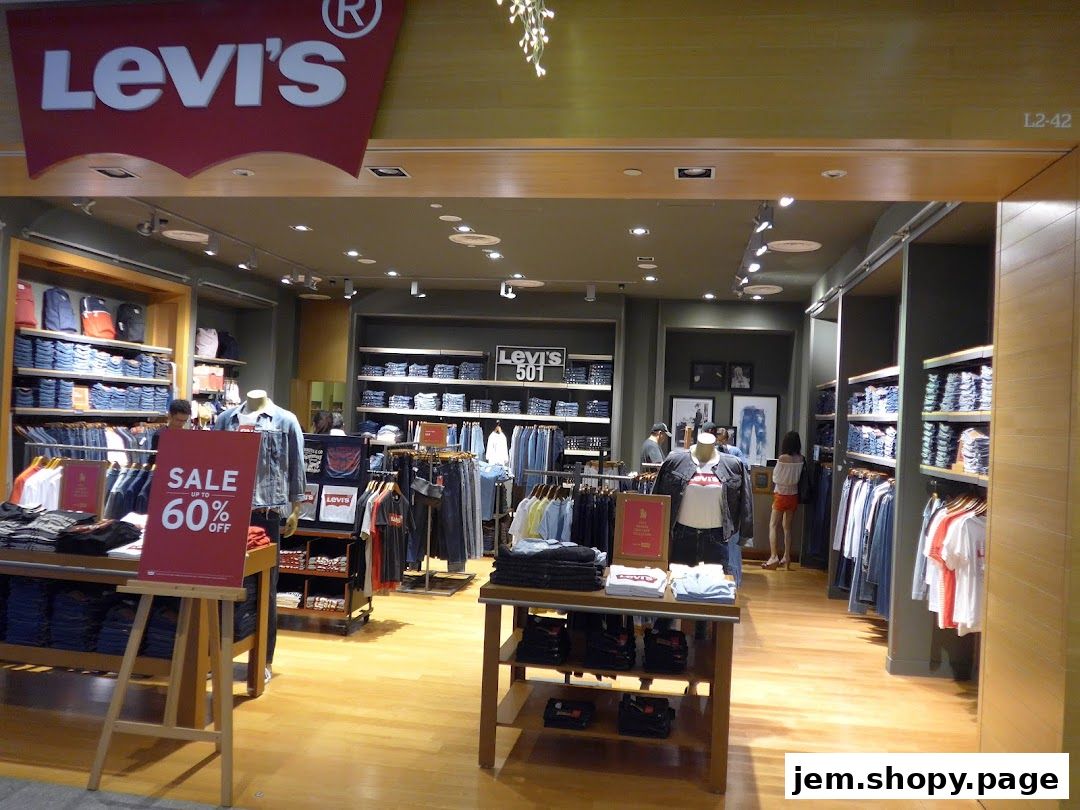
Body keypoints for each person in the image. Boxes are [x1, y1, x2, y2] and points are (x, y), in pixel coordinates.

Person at [763, 430, 804, 570]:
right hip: (793, 495)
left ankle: (774, 557)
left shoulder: (782, 458)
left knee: (773, 525)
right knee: (787, 528)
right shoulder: (801, 459)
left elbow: (776, 477)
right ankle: (787, 557)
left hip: (781, 494)